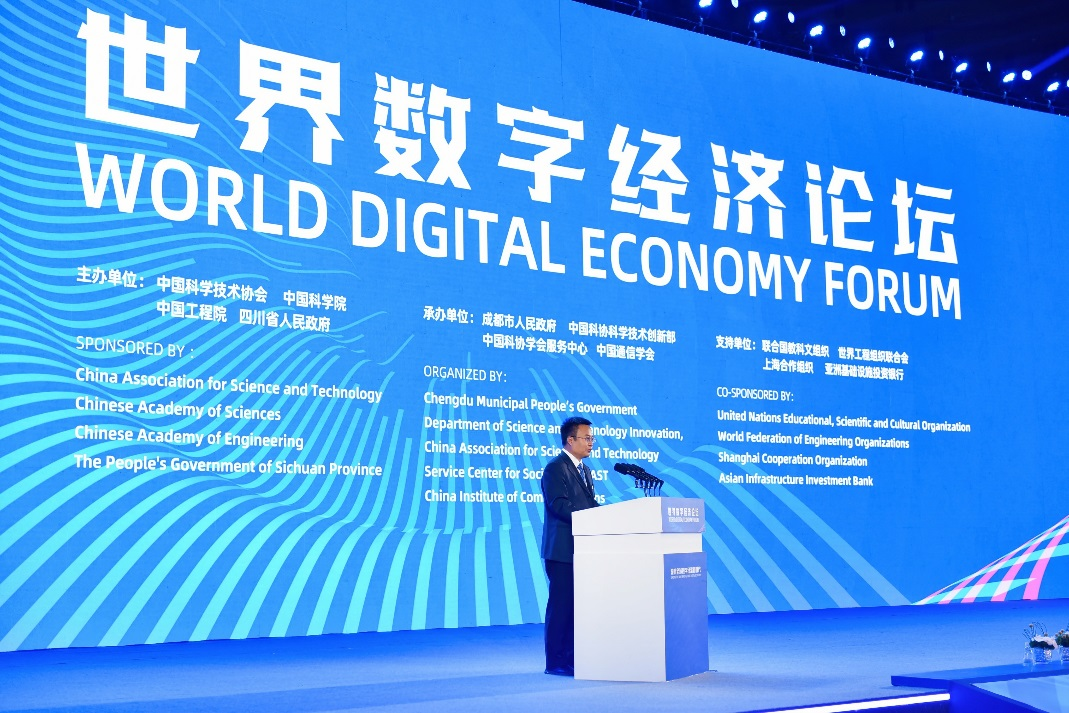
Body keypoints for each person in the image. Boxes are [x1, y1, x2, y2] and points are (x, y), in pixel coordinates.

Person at [540, 415, 599, 676]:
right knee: (561, 607)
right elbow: (559, 506)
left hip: (582, 550)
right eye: (586, 438)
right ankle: (555, 662)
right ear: (570, 440)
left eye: (592, 438)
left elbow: (589, 504)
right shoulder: (555, 468)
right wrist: (591, 517)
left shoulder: (585, 470)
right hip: (562, 551)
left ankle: (572, 658)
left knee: (577, 608)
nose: (591, 442)